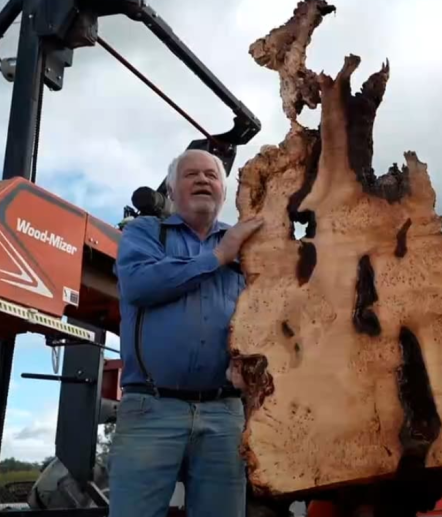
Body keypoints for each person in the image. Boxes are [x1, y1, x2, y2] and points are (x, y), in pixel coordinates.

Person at [109, 149, 263, 517]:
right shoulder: (146, 233)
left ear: (224, 194)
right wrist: (218, 256)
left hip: (225, 412)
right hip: (151, 407)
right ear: (173, 191)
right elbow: (139, 285)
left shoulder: (251, 246)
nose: (202, 180)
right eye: (191, 174)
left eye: (211, 176)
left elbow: (270, 310)